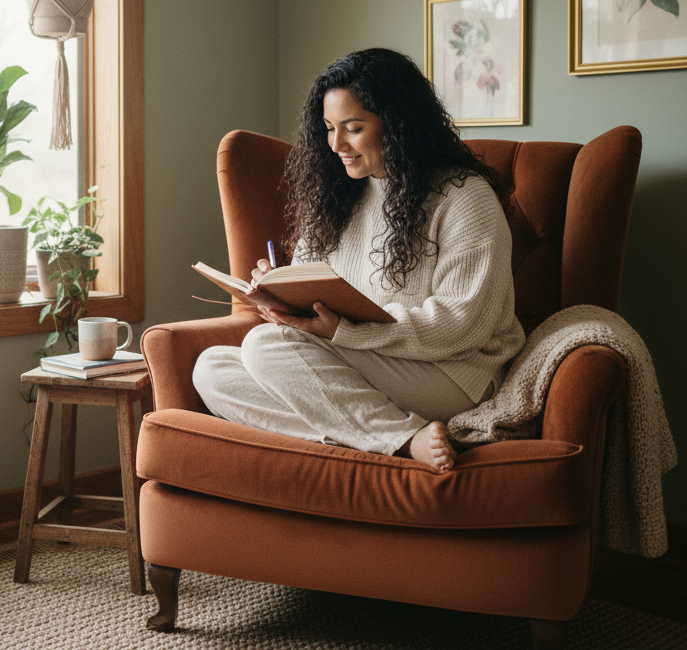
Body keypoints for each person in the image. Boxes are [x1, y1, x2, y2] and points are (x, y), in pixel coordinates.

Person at [192, 48, 525, 472]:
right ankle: (392, 434)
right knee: (212, 368)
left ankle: (397, 439)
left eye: (352, 128)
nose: (336, 145)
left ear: (399, 124)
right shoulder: (338, 196)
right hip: (363, 360)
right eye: (329, 128)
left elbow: (463, 325)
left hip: (453, 371)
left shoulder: (464, 197)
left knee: (263, 347)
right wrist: (279, 294)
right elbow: (313, 298)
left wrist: (344, 331)